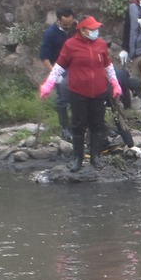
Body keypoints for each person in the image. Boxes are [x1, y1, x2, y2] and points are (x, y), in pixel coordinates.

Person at [40, 15, 120, 170]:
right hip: (78, 92)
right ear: (82, 30)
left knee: (97, 125)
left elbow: (108, 66)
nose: (96, 31)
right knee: (78, 125)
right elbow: (59, 67)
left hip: (99, 91)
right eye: (92, 29)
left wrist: (115, 84)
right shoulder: (70, 45)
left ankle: (95, 157)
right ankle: (77, 158)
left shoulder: (101, 44)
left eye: (97, 29)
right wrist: (48, 85)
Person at [39, 7, 77, 135]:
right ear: (59, 20)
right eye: (65, 24)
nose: (68, 26)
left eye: (70, 24)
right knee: (62, 98)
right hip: (59, 68)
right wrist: (54, 73)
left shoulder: (76, 29)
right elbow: (44, 56)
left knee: (78, 97)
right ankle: (65, 128)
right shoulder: (50, 34)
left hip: (76, 67)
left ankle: (77, 125)